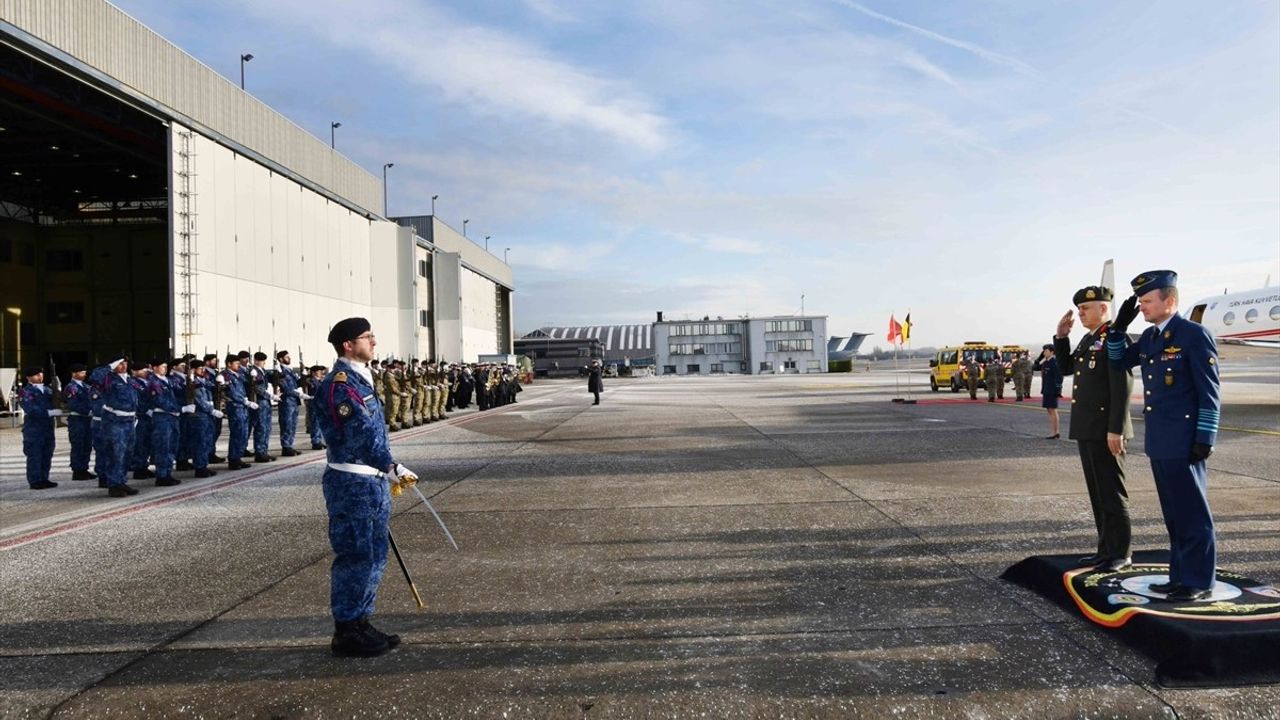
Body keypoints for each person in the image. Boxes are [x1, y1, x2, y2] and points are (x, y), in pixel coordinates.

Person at [1107, 270, 1221, 602]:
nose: (1141, 307)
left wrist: (1205, 437)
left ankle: (1199, 581)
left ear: (1169, 301)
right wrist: (1118, 329)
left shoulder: (1193, 334)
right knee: (1175, 515)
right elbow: (1118, 362)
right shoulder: (1150, 337)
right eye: (1140, 301)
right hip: (1160, 440)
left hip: (1186, 441)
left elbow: (1210, 392)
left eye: (1146, 301)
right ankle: (1180, 576)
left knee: (1193, 514)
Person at [314, 317, 419, 657]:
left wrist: (386, 468)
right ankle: (346, 631)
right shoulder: (340, 386)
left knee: (374, 555)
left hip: (371, 480)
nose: (374, 342)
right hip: (352, 483)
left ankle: (361, 621)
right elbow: (359, 433)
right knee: (356, 556)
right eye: (367, 337)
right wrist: (390, 465)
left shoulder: (361, 379)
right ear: (348, 345)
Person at [1055, 285, 1134, 571]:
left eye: (1085, 308)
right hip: (1088, 427)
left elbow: (1122, 386)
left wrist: (1116, 429)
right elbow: (1066, 368)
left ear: (1103, 308)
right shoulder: (1090, 339)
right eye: (1079, 309)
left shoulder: (1114, 337)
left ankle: (1121, 553)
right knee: (1098, 493)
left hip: (1106, 430)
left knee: (1112, 492)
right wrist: (1061, 337)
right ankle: (1105, 550)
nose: (1080, 313)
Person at [99, 357, 140, 496]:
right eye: (119, 364)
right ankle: (113, 484)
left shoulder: (129, 380)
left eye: (125, 363)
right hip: (115, 421)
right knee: (115, 454)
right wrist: (110, 366)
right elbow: (94, 377)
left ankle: (121, 481)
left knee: (127, 453)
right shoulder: (108, 378)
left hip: (129, 420)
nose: (123, 366)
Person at [19, 367, 60, 489]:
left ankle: (44, 478)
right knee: (35, 455)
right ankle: (35, 480)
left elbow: (59, 400)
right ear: (28, 377)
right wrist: (48, 413)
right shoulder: (25, 391)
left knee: (47, 454)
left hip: (48, 428)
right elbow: (30, 408)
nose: (40, 376)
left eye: (41, 374)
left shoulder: (47, 390)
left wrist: (58, 389)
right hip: (34, 429)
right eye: (36, 375)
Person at [146, 358, 183, 487]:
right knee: (163, 446)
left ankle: (167, 473)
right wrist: (180, 408)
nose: (165, 369)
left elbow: (180, 392)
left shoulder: (167, 380)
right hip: (162, 417)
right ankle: (161, 475)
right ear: (154, 368)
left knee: (172, 446)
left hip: (172, 417)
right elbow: (160, 401)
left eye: (166, 366)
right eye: (162, 366)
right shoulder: (153, 382)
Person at [62, 363, 96, 480]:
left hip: (87, 420)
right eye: (81, 372)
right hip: (78, 420)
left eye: (84, 372)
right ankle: (77, 470)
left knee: (87, 444)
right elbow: (73, 404)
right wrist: (87, 411)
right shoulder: (71, 387)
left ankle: (84, 468)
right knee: (78, 445)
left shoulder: (86, 386)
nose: (84, 374)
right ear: (74, 374)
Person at [220, 354, 252, 470]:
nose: (239, 365)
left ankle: (238, 457)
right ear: (229, 364)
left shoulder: (238, 375)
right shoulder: (225, 375)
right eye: (236, 363)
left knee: (243, 433)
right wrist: (245, 401)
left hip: (242, 408)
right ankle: (233, 459)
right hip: (235, 408)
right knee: (237, 433)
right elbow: (231, 393)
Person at [274, 350, 303, 456]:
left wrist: (304, 377)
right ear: (281, 359)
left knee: (293, 424)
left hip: (294, 401)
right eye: (287, 357)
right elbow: (285, 387)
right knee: (286, 424)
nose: (289, 358)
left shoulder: (289, 370)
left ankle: (290, 445)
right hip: (286, 402)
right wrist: (297, 393)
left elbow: (297, 384)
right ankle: (286, 446)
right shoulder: (279, 371)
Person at [1034, 344, 1062, 439]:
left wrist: (1058, 389)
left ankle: (1055, 432)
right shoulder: (1046, 362)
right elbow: (1035, 367)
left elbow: (1059, 377)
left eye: (1046, 351)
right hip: (1046, 389)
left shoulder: (1054, 363)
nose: (1044, 353)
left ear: (1052, 352)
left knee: (1052, 410)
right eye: (1044, 351)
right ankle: (1055, 432)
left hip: (1052, 389)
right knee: (1049, 410)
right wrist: (1039, 358)